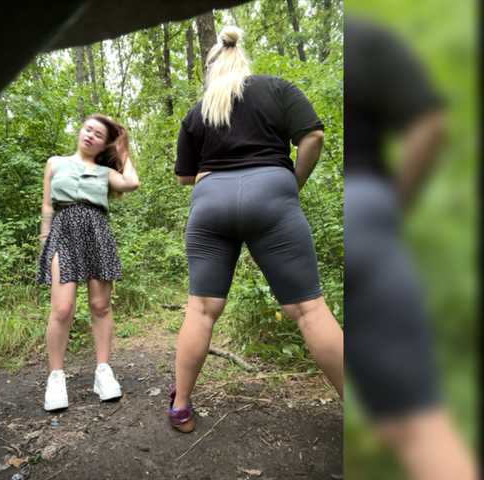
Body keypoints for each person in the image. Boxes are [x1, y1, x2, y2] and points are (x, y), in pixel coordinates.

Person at [170, 26, 343, 433]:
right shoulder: (276, 88)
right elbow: (313, 136)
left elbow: (183, 177)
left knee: (201, 309)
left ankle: (180, 407)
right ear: (242, 59)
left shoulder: (198, 111)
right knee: (309, 309)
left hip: (210, 202)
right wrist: (292, 183)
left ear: (210, 69)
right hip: (272, 193)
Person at [344, 18, 477, 479]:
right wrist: (393, 203)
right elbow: (430, 123)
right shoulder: (366, 37)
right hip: (367, 205)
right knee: (418, 423)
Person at [38, 114, 139, 411]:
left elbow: (131, 182)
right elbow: (47, 205)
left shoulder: (105, 173)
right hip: (62, 232)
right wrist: (45, 242)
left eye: (98, 134)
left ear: (104, 144)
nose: (90, 135)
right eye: (88, 129)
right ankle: (56, 378)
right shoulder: (55, 163)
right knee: (62, 308)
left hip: (97, 232)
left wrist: (122, 151)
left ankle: (103, 372)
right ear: (80, 131)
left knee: (100, 305)